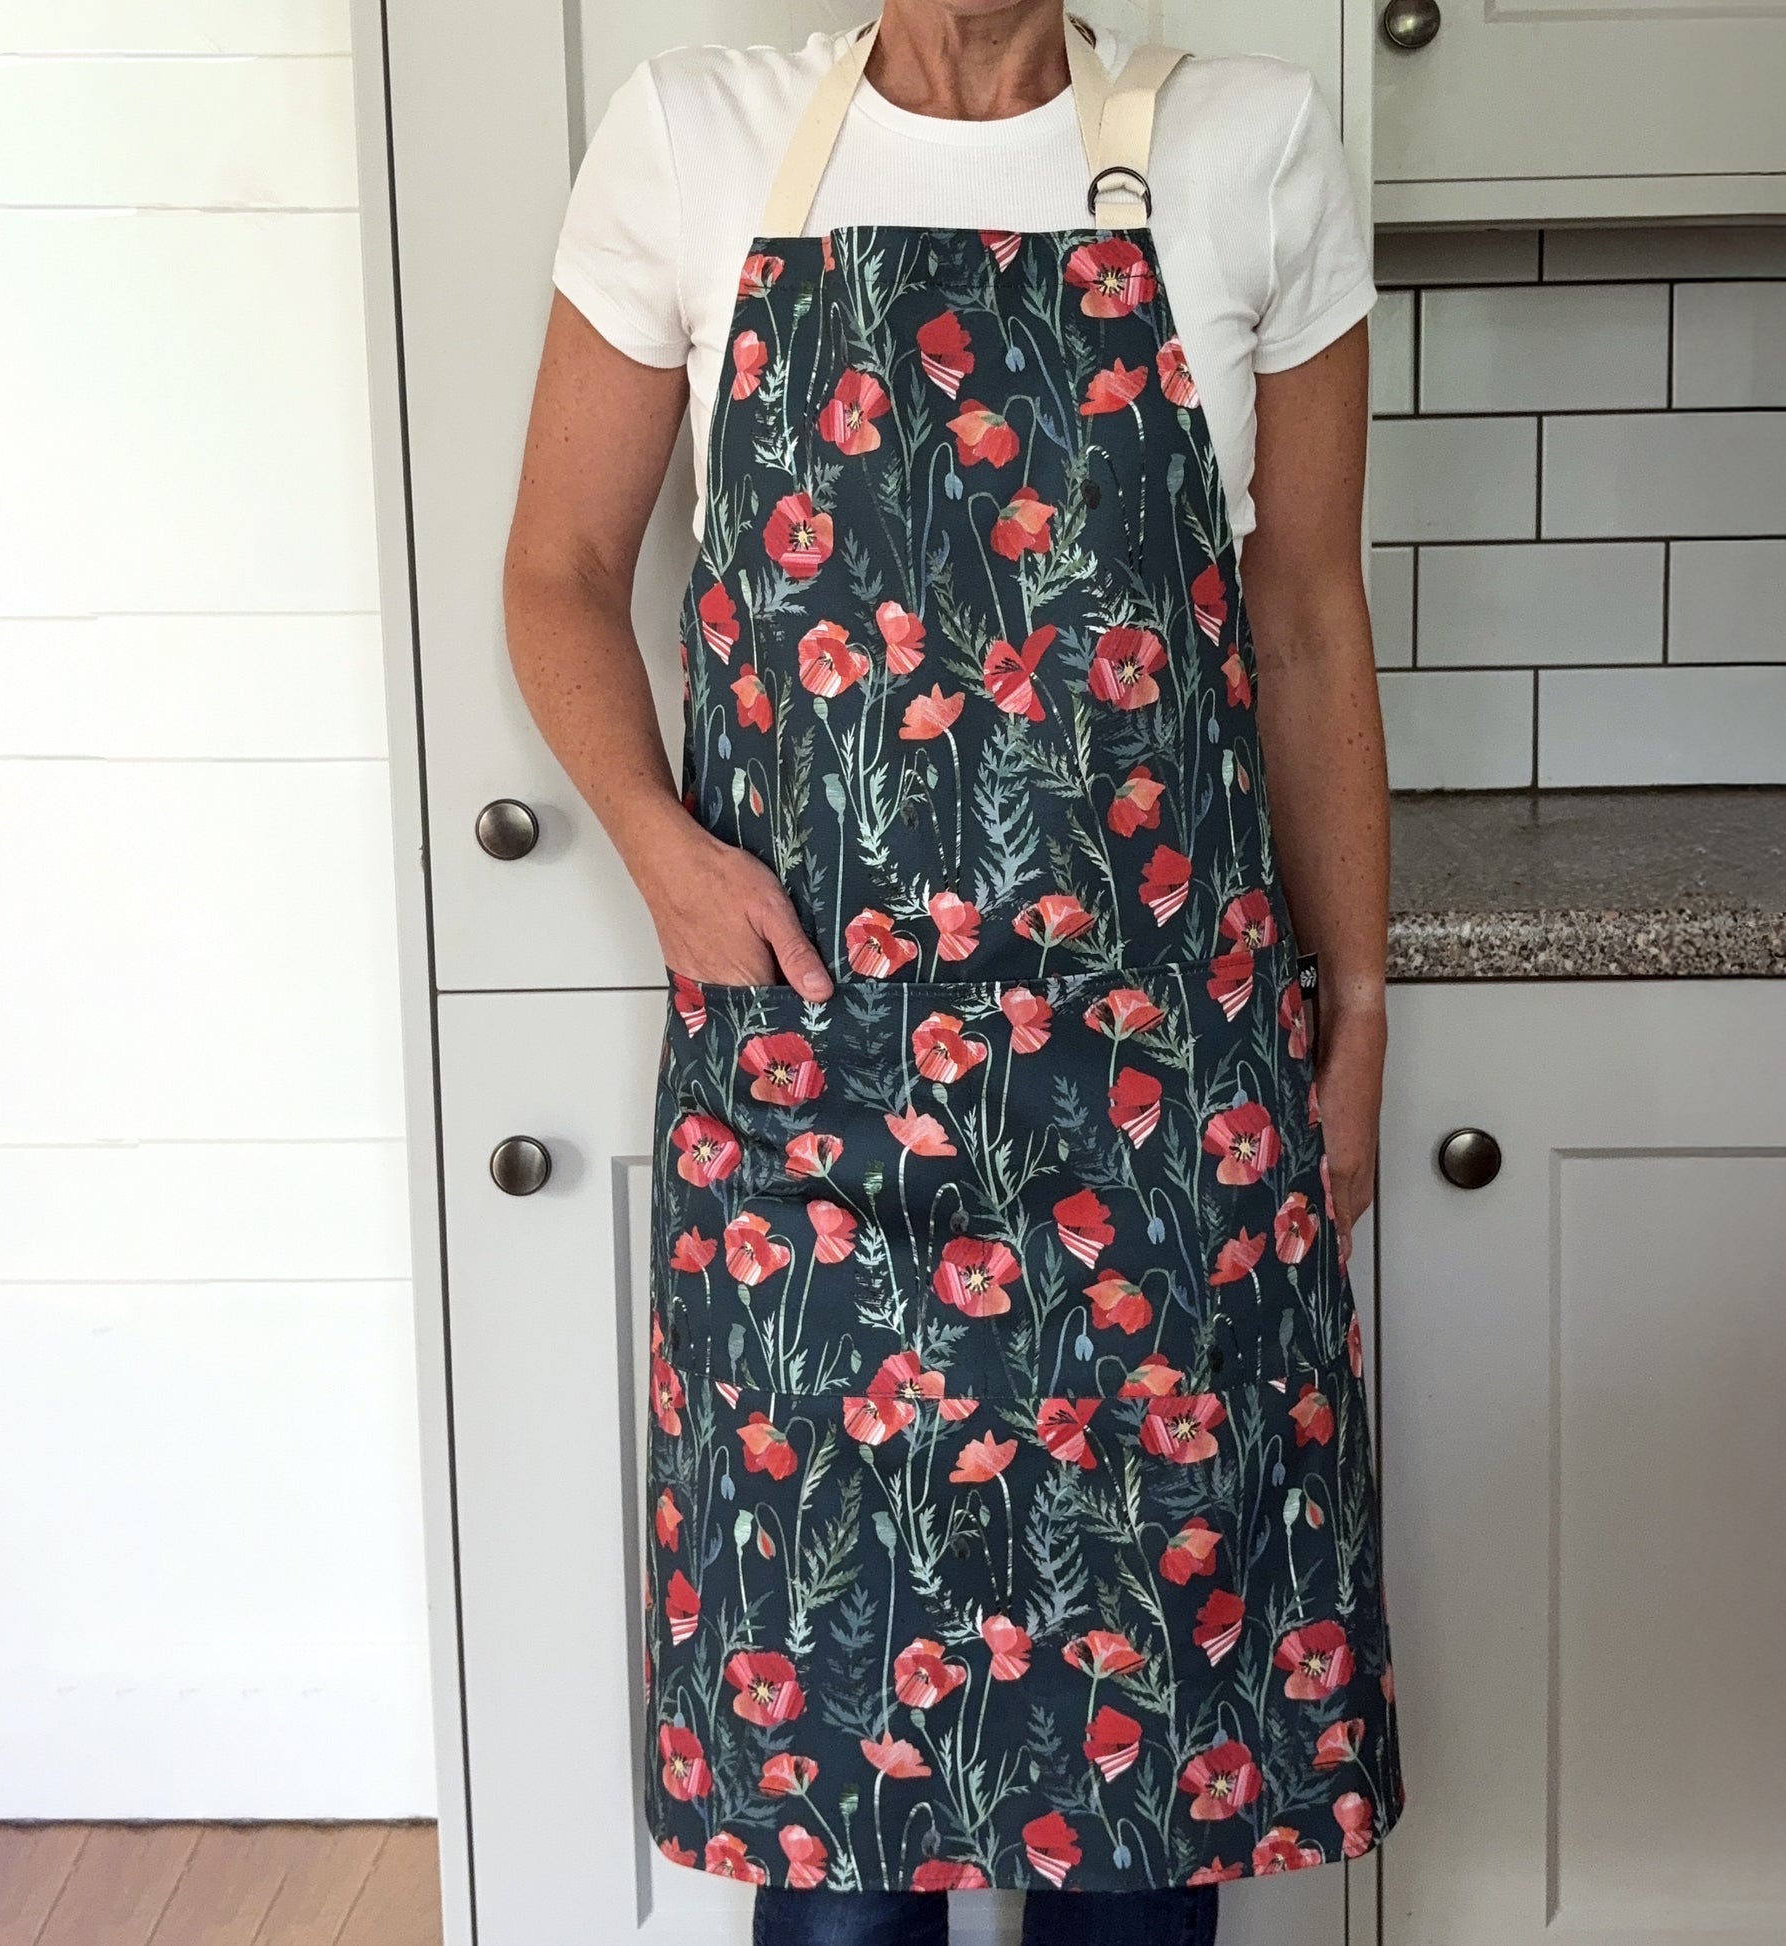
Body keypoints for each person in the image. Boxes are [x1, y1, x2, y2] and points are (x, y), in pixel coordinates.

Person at [504, 4, 1403, 1941]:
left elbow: (1310, 621)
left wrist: (1359, 1013)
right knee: (836, 1860)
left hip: (1160, 1124)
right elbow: (558, 565)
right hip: (814, 1114)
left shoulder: (1251, 146)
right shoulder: (693, 136)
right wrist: (658, 848)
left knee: (1146, 1839)